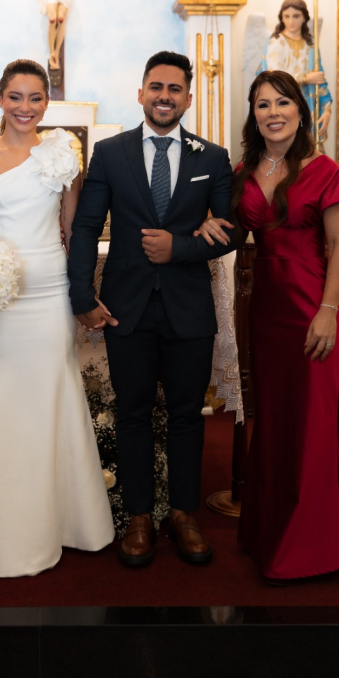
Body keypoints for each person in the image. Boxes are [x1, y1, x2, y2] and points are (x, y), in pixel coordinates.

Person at [67, 51, 233, 568]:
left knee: (188, 415)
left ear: (187, 97)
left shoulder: (213, 157)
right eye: (156, 87)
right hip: (126, 306)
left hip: (188, 307)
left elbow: (229, 229)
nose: (165, 96)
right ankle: (139, 517)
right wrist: (80, 296)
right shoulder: (110, 152)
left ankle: (183, 514)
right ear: (141, 93)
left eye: (175, 89)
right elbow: (86, 228)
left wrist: (179, 247)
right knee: (132, 412)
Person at [0, 59, 114, 577]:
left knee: (52, 398)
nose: (25, 107)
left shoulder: (62, 153)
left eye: (35, 98)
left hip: (47, 294)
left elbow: (73, 231)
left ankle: (66, 524)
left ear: (47, 102)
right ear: (0, 99)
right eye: (15, 97)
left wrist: (81, 292)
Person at [197, 69, 339, 583]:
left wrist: (329, 311)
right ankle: (266, 533)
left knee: (309, 426)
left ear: (300, 111)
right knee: (273, 421)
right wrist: (204, 224)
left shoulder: (325, 170)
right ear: (254, 114)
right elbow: (233, 229)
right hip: (266, 310)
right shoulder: (245, 170)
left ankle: (311, 548)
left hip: (313, 306)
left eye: (282, 102)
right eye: (263, 104)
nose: (273, 112)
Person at [259, 0, 332, 140]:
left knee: (309, 154)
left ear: (304, 17)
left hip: (308, 105)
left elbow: (319, 78)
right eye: (287, 16)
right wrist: (305, 78)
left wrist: (327, 108)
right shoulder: (277, 42)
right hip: (282, 106)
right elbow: (274, 78)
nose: (291, 21)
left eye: (296, 16)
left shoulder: (310, 44)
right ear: (282, 18)